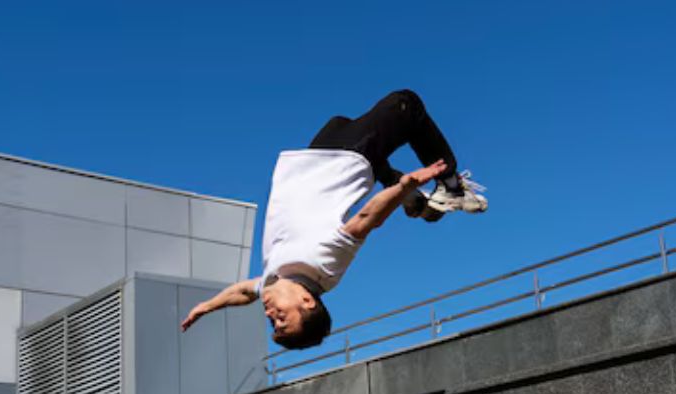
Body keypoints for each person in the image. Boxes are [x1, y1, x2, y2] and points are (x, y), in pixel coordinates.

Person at [180, 89, 487, 349]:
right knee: (406, 106)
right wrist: (406, 185)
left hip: (311, 162)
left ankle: (411, 200)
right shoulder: (324, 268)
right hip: (345, 160)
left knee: (341, 122)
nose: (270, 315)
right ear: (307, 302)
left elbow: (241, 292)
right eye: (282, 319)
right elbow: (366, 219)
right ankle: (451, 188)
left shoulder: (275, 280)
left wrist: (206, 307)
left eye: (272, 322)